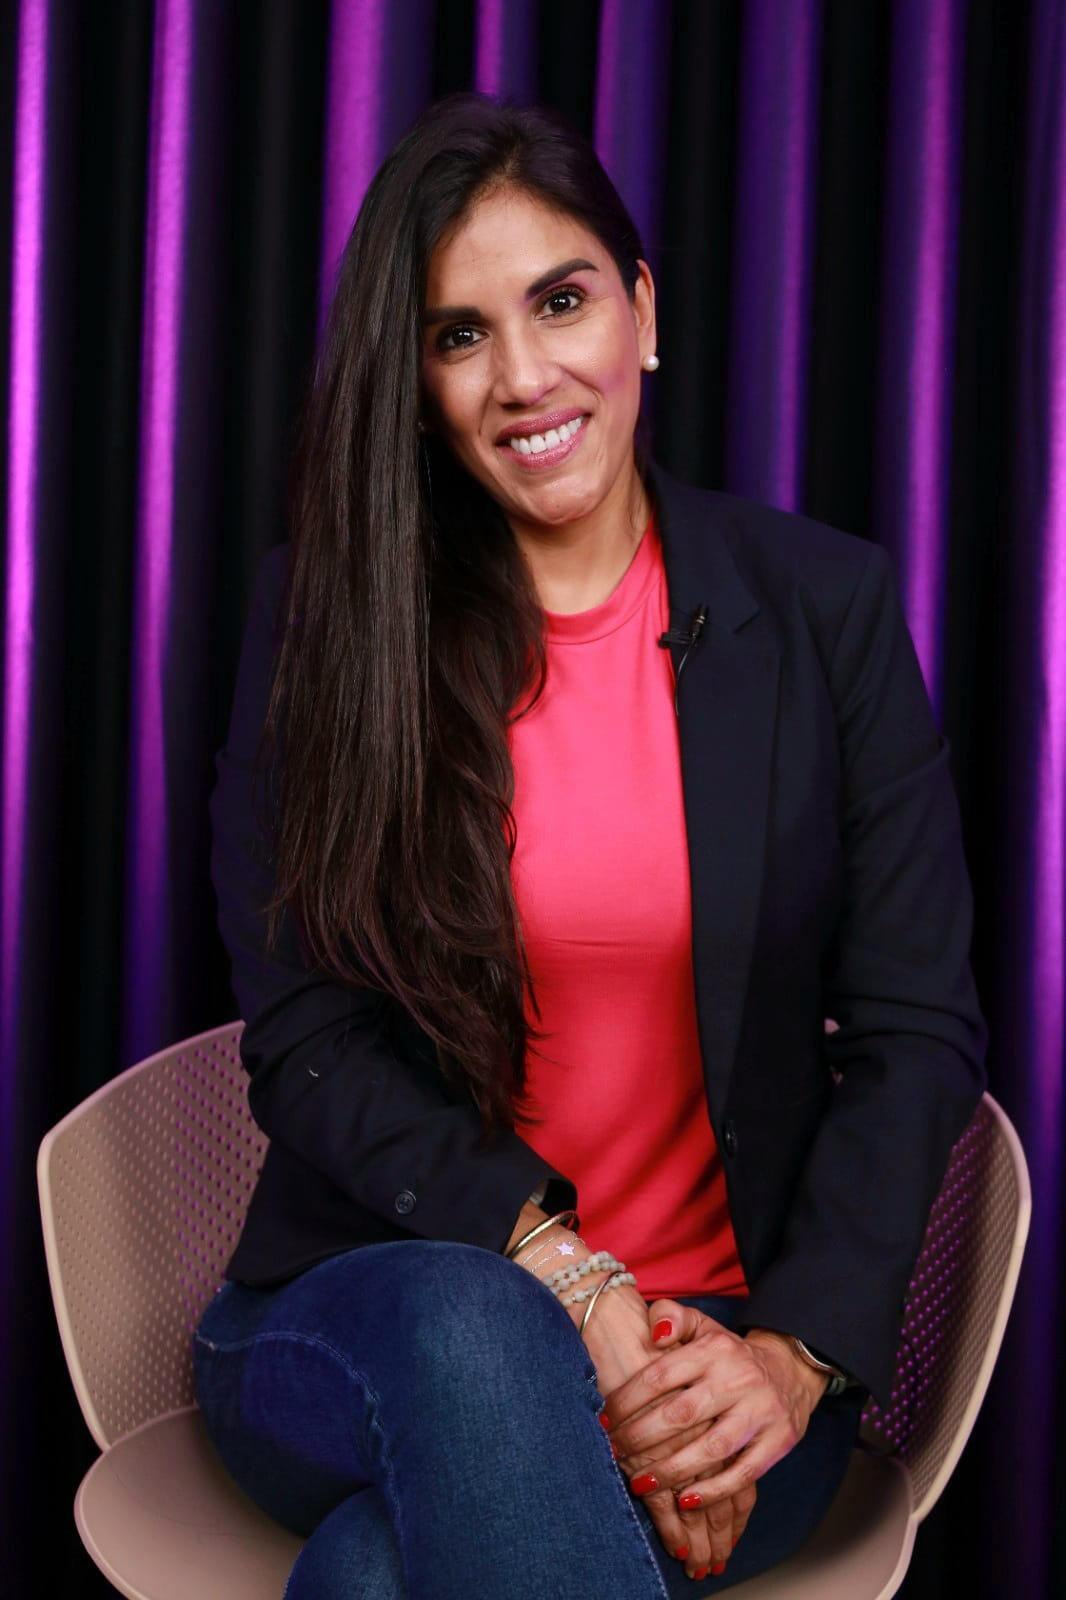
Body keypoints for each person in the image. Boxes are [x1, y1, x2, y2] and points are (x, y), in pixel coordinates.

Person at [192, 91, 988, 1598]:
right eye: (459, 335)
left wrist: (792, 1354)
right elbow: (306, 1039)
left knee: (372, 1576)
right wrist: (559, 1276)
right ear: (418, 384)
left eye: (560, 301)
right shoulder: (328, 626)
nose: (523, 376)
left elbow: (913, 1031)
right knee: (476, 1332)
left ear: (644, 313)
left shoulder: (820, 609)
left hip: (719, 1354)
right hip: (374, 1312)